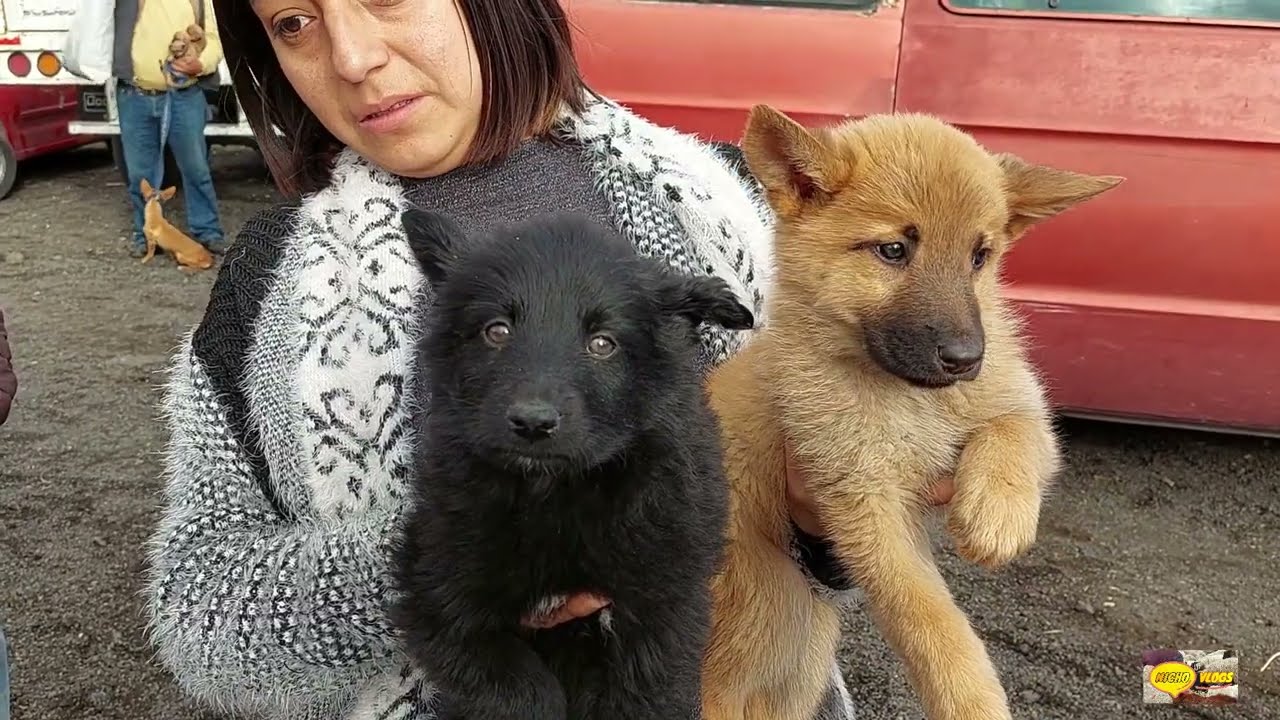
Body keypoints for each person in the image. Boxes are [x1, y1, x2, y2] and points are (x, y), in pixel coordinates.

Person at [145, 1, 954, 718]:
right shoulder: (272, 282)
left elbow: (839, 531)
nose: (351, 58)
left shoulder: (729, 207)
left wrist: (818, 522)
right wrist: (452, 556)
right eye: (294, 23)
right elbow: (200, 617)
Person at [112, 0, 228, 258]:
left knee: (196, 169)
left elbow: (213, 38)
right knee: (140, 175)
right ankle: (146, 235)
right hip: (134, 94)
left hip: (185, 95)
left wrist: (201, 64)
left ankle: (207, 232)